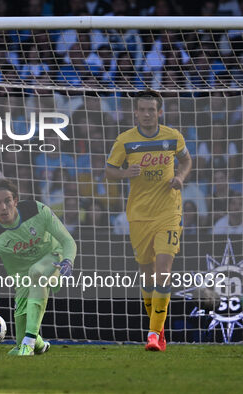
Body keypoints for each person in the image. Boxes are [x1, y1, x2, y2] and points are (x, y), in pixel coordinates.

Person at [105, 89, 192, 352]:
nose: (146, 114)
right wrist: (124, 173)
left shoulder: (172, 136)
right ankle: (159, 329)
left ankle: (153, 335)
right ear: (135, 112)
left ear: (159, 112)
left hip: (168, 212)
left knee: (164, 271)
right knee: (147, 274)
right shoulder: (125, 141)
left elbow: (187, 160)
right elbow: (108, 171)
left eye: (151, 110)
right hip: (139, 215)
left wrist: (180, 177)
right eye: (142, 110)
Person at [0, 178, 76, 356]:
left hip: (54, 257)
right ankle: (38, 344)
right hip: (23, 278)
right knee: (19, 341)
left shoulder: (37, 210)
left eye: (7, 201)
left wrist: (68, 260)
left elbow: (67, 240)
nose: (4, 207)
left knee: (36, 272)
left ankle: (29, 342)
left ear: (15, 200)